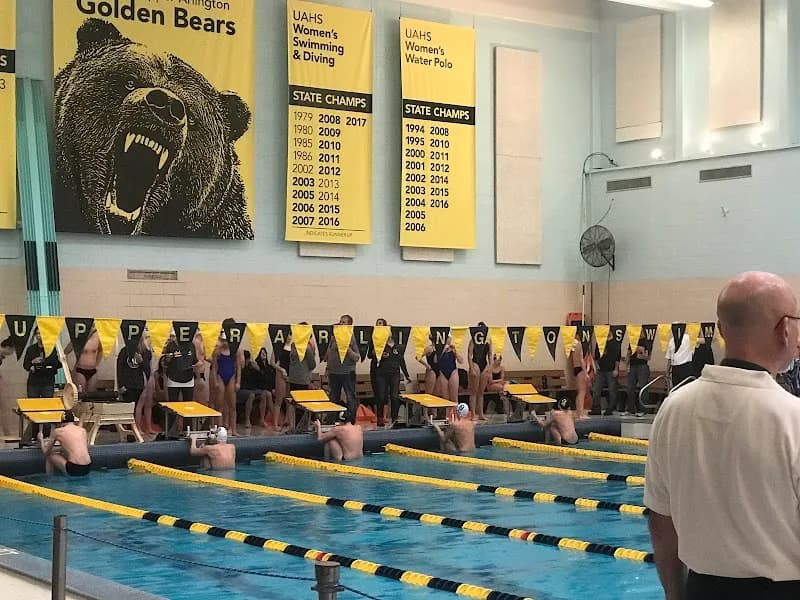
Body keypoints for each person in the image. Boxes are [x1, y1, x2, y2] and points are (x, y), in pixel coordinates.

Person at [645, 272, 800, 600]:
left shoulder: (673, 408)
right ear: (785, 329)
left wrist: (675, 594)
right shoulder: (793, 418)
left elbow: (660, 522)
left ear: (719, 330)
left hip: (702, 590)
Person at [328, 314, 360, 425]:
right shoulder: (333, 337)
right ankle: (332, 419)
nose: (340, 324)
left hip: (347, 372)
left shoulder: (351, 338)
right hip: (334, 372)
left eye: (343, 322)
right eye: (340, 321)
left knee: (350, 396)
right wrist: (328, 368)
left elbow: (357, 357)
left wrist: (347, 349)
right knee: (333, 397)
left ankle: (350, 420)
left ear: (349, 325)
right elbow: (329, 355)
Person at [373, 329, 409, 428]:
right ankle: (379, 418)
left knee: (394, 396)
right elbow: (373, 357)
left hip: (394, 374)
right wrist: (379, 355)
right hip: (382, 374)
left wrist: (407, 375)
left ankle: (394, 418)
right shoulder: (381, 345)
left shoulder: (399, 347)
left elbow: (402, 361)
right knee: (381, 396)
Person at [37, 411, 91, 476]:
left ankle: (49, 481)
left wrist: (41, 440)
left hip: (74, 469)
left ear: (62, 422)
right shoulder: (82, 430)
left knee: (49, 457)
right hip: (87, 468)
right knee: (63, 454)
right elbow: (82, 448)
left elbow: (46, 452)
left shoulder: (58, 431)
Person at [211, 330, 242, 436]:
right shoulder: (217, 351)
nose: (225, 343)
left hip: (231, 377)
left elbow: (238, 367)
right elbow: (214, 367)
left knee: (232, 405)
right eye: (223, 340)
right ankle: (219, 429)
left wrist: (238, 382)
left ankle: (233, 430)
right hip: (220, 376)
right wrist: (215, 380)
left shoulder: (235, 351)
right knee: (219, 404)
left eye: (226, 340)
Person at [116, 338, 147, 432]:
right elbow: (119, 369)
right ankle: (129, 429)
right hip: (127, 385)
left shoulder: (144, 352)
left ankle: (136, 429)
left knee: (138, 409)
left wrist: (141, 362)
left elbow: (147, 370)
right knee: (128, 409)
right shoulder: (124, 351)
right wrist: (120, 385)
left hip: (138, 384)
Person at [238, 350, 271, 434]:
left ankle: (262, 419)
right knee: (251, 395)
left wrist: (258, 370)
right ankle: (247, 419)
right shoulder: (238, 367)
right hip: (242, 390)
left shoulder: (251, 367)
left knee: (264, 393)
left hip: (252, 389)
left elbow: (260, 381)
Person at [23, 329, 62, 398]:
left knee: (47, 405)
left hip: (48, 382)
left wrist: (47, 366)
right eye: (37, 334)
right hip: (34, 382)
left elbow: (57, 364)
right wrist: (32, 362)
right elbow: (25, 365)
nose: (38, 336)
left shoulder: (51, 348)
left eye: (40, 333)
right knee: (33, 405)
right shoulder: (31, 349)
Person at [164, 330, 198, 403]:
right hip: (173, 378)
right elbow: (165, 363)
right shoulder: (171, 345)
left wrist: (198, 364)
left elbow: (194, 361)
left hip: (188, 378)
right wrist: (168, 359)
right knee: (173, 406)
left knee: (188, 405)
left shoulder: (191, 345)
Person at [591, 336, 621, 416]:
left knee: (612, 390)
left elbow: (617, 358)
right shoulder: (600, 342)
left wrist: (616, 369)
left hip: (611, 370)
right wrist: (597, 366)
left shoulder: (615, 344)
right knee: (596, 389)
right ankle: (596, 408)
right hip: (601, 370)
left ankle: (610, 409)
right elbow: (596, 356)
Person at [467, 323, 491, 421]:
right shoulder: (472, 340)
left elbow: (490, 354)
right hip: (475, 364)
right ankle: (472, 414)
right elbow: (469, 355)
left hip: (484, 365)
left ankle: (481, 414)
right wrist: (471, 368)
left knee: (481, 392)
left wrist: (490, 367)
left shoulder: (488, 341)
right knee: (474, 391)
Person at [69, 328, 103, 392]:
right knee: (81, 394)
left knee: (91, 395)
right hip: (80, 370)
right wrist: (68, 370)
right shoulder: (78, 338)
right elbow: (65, 353)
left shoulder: (97, 337)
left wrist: (97, 364)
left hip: (93, 370)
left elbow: (100, 351)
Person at [626, 336, 651, 417]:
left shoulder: (646, 342)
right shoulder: (632, 341)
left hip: (642, 366)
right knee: (630, 388)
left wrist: (641, 354)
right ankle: (631, 410)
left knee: (643, 388)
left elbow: (648, 357)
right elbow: (628, 354)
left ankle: (643, 410)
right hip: (633, 366)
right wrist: (627, 365)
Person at [569, 337, 591, 419]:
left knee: (579, 393)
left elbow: (573, 359)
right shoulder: (579, 344)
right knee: (582, 392)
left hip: (575, 368)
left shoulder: (572, 344)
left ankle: (579, 412)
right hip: (580, 368)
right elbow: (581, 359)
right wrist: (585, 373)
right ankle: (580, 414)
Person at [437, 336, 463, 405]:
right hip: (443, 373)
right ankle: (447, 415)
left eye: (449, 338)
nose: (448, 340)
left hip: (453, 372)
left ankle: (455, 415)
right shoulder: (439, 349)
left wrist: (455, 352)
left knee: (454, 398)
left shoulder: (454, 348)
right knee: (445, 398)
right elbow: (435, 360)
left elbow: (461, 361)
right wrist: (442, 350)